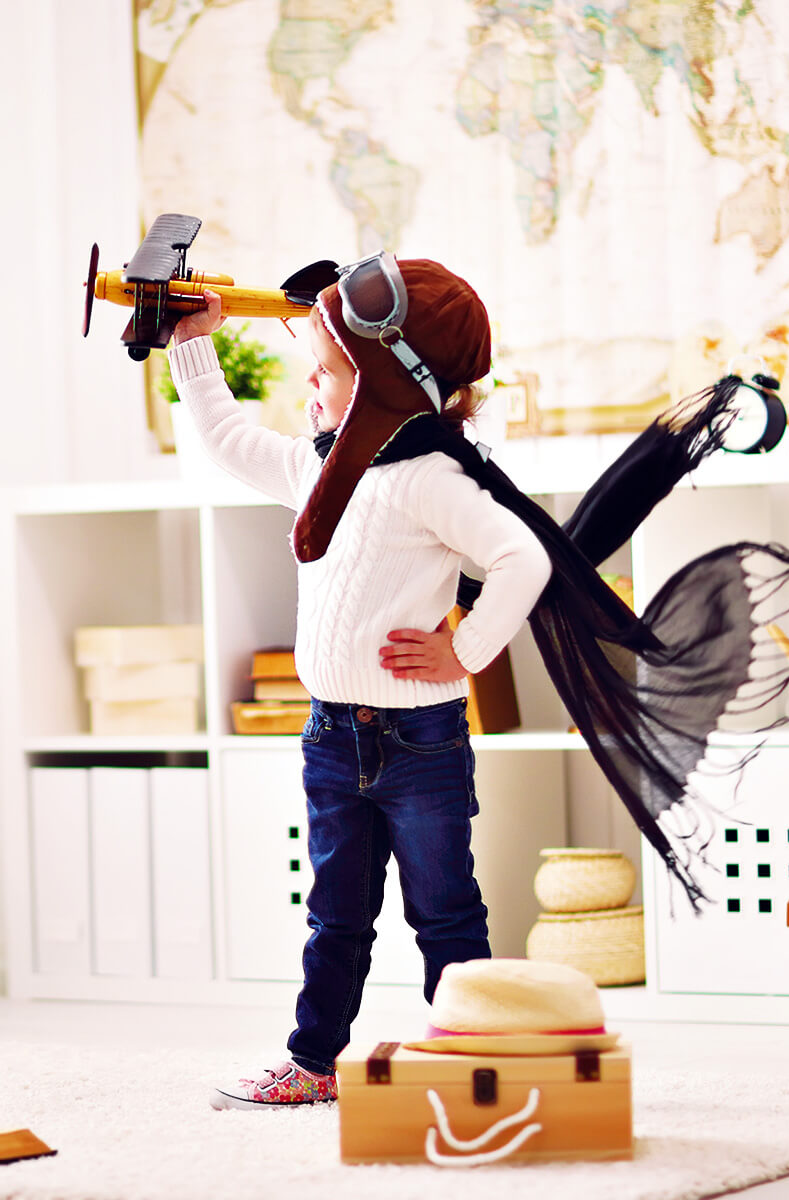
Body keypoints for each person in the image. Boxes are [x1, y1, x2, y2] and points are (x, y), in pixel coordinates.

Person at [167, 256, 554, 1108]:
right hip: (331, 734)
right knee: (335, 914)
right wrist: (191, 344)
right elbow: (228, 440)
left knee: (444, 910)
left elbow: (522, 557)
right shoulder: (320, 467)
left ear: (386, 384)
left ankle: (474, 1060)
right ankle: (313, 1063)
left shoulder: (428, 480)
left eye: (326, 369)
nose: (310, 381)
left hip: (421, 741)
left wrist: (466, 649)